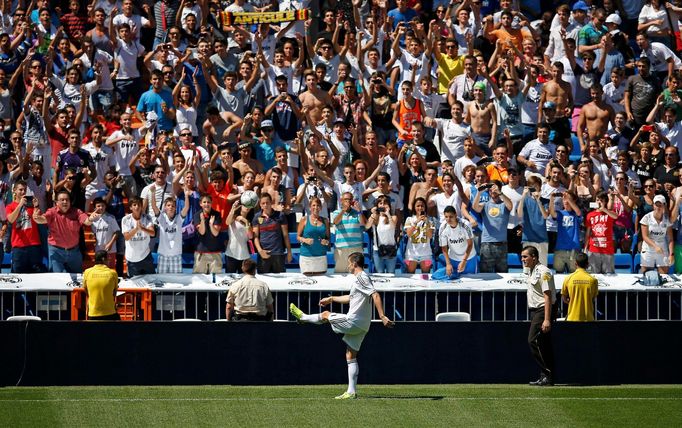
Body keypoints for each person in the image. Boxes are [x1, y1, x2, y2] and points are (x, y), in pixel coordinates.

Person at [289, 252, 394, 399]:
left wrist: (382, 316)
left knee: (326, 315)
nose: (348, 265)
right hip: (363, 325)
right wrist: (331, 298)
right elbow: (350, 298)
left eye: (349, 263)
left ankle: (303, 317)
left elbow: (375, 295)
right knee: (351, 355)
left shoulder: (362, 277)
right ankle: (351, 392)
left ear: (355, 264)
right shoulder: (361, 279)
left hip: (354, 322)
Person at [32, 190, 101, 273]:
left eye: (67, 200)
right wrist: (36, 218)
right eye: (62, 200)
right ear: (56, 202)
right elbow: (42, 220)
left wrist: (90, 218)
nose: (65, 202)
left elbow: (86, 221)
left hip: (74, 252)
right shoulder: (52, 212)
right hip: (56, 251)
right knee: (57, 278)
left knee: (77, 277)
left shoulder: (77, 212)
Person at [521, 245, 557, 387]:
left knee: (532, 340)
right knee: (543, 344)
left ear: (534, 257)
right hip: (536, 310)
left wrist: (547, 319)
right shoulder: (530, 271)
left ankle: (547, 373)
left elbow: (547, 296)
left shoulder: (544, 272)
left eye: (525, 256)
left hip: (543, 310)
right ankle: (546, 377)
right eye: (522, 256)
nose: (522, 259)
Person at [432, 205, 477, 280]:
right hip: (453, 259)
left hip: (469, 258)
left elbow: (470, 244)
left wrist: (464, 261)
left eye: (451, 216)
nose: (448, 219)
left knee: (471, 283)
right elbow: (444, 247)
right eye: (446, 217)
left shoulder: (465, 224)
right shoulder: (443, 227)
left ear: (456, 215)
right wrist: (448, 264)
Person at [640, 194, 674, 274]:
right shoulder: (646, 218)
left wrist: (671, 254)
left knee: (664, 276)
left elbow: (670, 239)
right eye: (656, 205)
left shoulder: (667, 219)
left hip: (662, 248)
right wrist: (655, 246)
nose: (658, 207)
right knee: (647, 276)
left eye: (660, 205)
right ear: (653, 205)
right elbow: (645, 237)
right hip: (648, 248)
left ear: (664, 206)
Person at [83, 250, 120, 320]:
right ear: (103, 259)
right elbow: (114, 292)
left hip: (93, 312)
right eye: (108, 258)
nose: (109, 260)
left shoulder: (87, 272)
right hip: (110, 312)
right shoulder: (113, 273)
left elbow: (86, 289)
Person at [561, 252, 599, 322]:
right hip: (588, 318)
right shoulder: (593, 280)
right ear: (587, 264)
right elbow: (593, 298)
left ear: (575, 264)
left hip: (572, 318)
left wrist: (572, 301)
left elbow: (564, 298)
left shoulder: (568, 278)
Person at [297, 197, 330, 275]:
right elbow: (298, 237)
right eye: (313, 205)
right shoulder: (304, 219)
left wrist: (326, 242)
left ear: (321, 208)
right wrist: (305, 240)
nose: (316, 207)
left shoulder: (325, 221)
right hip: (306, 257)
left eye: (318, 205)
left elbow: (328, 238)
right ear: (310, 207)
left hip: (321, 257)